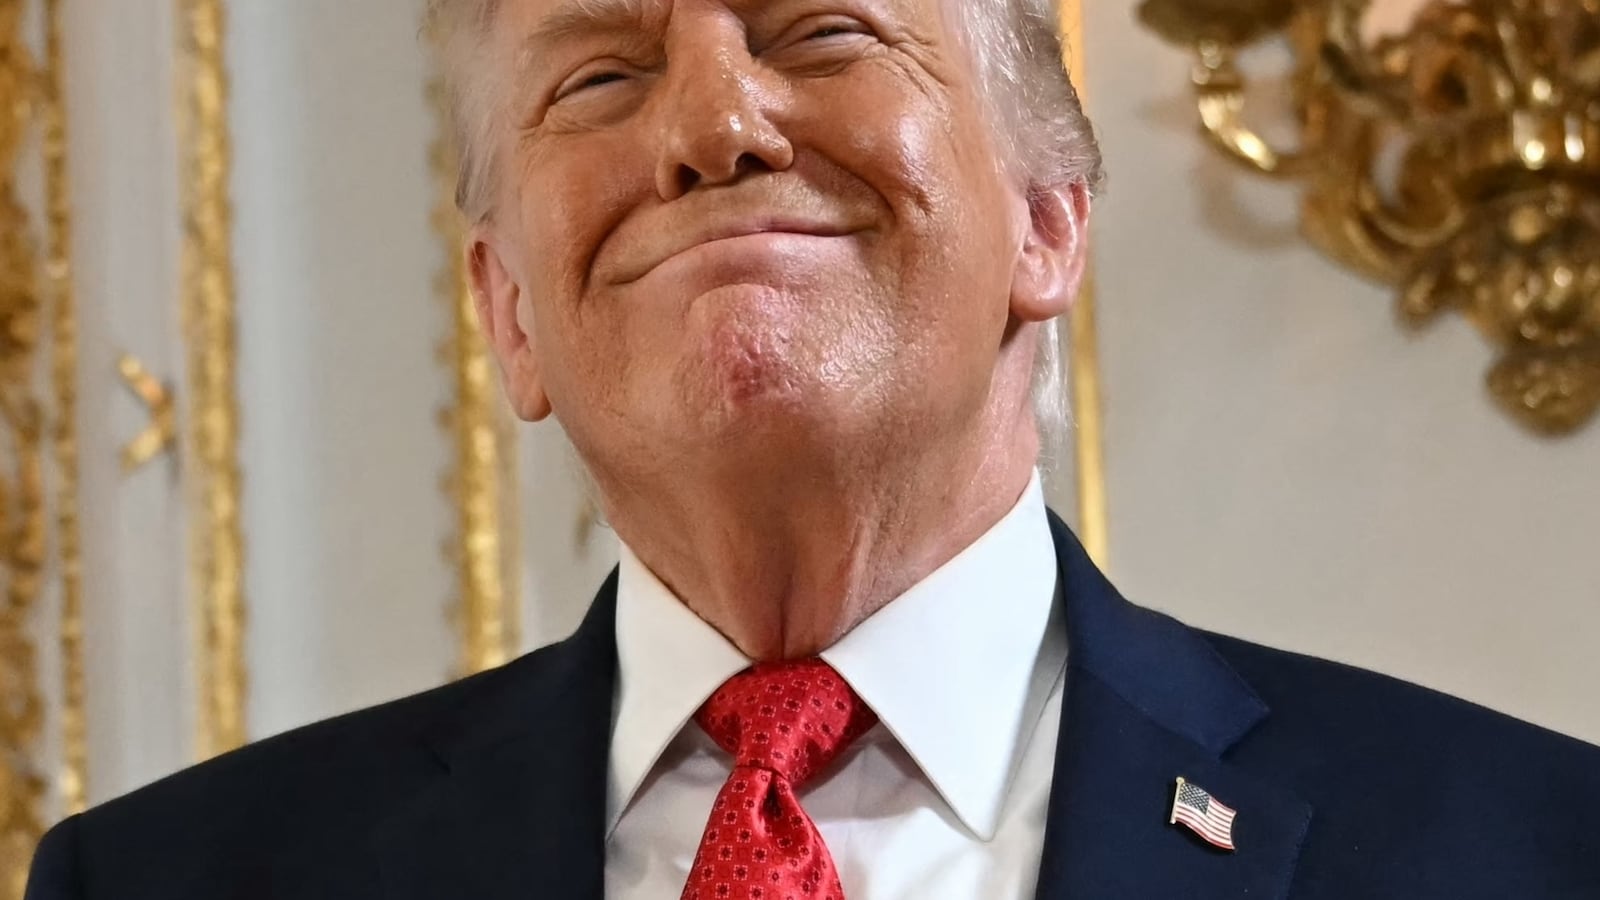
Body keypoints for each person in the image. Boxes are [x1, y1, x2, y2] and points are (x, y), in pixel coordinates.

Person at [27, 0, 1600, 897]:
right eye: (601, 74)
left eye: (826, 29)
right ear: (509, 315)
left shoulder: (1529, 853)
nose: (714, 124)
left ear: (1049, 222)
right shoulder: (167, 890)